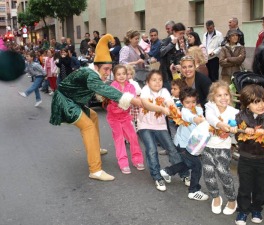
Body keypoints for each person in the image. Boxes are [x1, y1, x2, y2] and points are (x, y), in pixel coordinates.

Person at [49, 34, 142, 181]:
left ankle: (95, 148)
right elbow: (108, 91)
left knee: (93, 116)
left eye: (109, 69)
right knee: (88, 128)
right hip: (65, 101)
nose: (107, 73)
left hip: (72, 100)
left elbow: (102, 89)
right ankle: (95, 170)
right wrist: (132, 100)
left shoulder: (92, 73)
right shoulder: (90, 74)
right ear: (97, 66)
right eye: (105, 69)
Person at [137, 70, 190, 191]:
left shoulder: (165, 91)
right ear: (148, 82)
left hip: (160, 126)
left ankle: (184, 174)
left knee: (171, 149)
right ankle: (157, 177)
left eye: (160, 80)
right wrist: (161, 108)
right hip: (144, 125)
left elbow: (171, 104)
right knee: (151, 150)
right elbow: (146, 104)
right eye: (154, 80)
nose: (157, 82)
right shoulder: (145, 89)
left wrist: (178, 114)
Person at [235, 84, 264, 225]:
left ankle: (257, 208)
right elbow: (237, 137)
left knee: (261, 186)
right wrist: (245, 131)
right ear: (247, 105)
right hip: (246, 158)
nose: (261, 106)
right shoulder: (240, 116)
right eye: (255, 102)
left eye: (263, 101)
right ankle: (242, 210)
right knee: (245, 186)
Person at [160, 87, 209, 201]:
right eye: (187, 102)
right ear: (182, 102)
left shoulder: (198, 109)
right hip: (183, 145)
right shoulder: (184, 111)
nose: (191, 104)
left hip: (192, 144)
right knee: (196, 165)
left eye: (193, 101)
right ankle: (193, 191)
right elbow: (190, 118)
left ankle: (168, 171)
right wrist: (198, 120)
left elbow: (200, 115)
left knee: (188, 164)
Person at [203, 80, 239, 215]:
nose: (223, 98)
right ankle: (215, 197)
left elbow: (237, 125)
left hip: (223, 148)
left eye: (226, 95)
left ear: (230, 96)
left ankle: (231, 199)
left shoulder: (234, 112)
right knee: (208, 174)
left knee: (223, 173)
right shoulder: (210, 107)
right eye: (219, 95)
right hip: (208, 146)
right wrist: (220, 124)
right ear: (213, 97)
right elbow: (210, 118)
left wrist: (235, 128)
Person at [106, 65, 145, 174]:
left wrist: (125, 100)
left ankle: (137, 160)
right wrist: (125, 100)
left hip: (126, 117)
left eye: (124, 73)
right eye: (118, 74)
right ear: (114, 76)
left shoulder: (131, 86)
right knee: (119, 140)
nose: (122, 76)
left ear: (127, 74)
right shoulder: (112, 87)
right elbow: (118, 101)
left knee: (133, 138)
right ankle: (123, 163)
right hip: (114, 118)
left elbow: (128, 101)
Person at [160, 22, 187, 91]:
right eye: (180, 33)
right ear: (174, 32)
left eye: (183, 33)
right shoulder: (168, 40)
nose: (182, 35)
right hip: (166, 74)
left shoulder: (181, 41)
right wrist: (172, 44)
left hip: (176, 73)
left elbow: (180, 57)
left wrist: (182, 49)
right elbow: (161, 52)